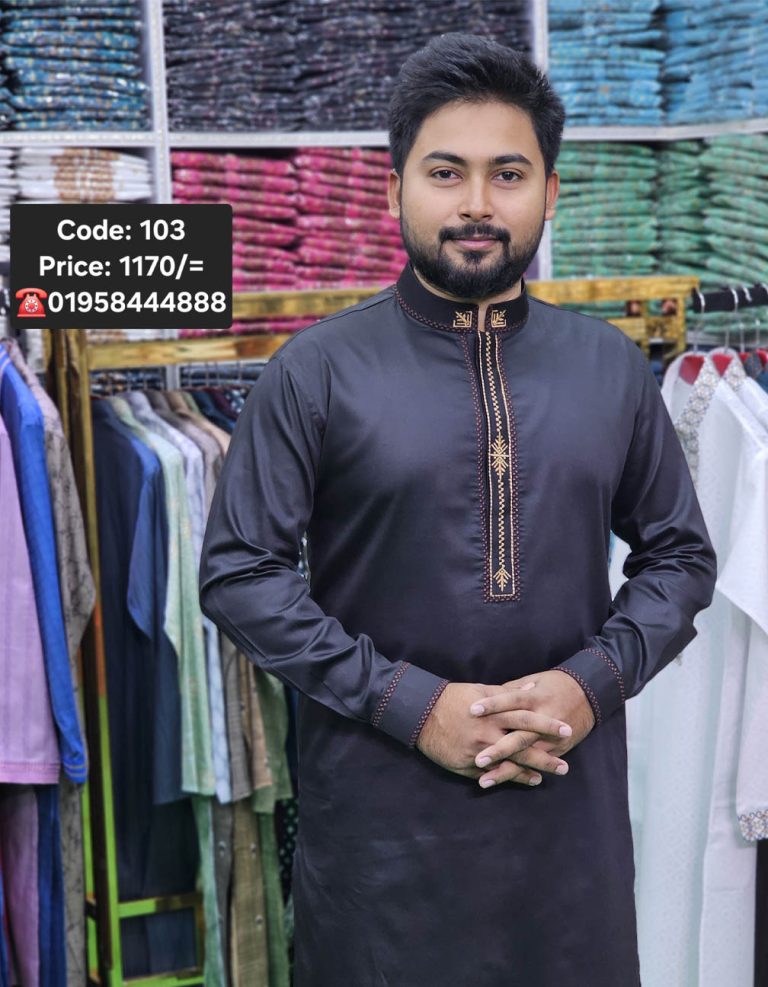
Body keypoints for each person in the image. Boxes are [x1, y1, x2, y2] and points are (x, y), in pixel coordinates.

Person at [200, 33, 717, 987]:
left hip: (570, 831)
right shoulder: (315, 372)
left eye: (507, 174)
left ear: (550, 193)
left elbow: (680, 557)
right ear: (395, 188)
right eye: (446, 172)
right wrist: (412, 704)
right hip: (381, 843)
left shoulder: (609, 368)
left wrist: (591, 682)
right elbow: (241, 576)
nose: (477, 203)